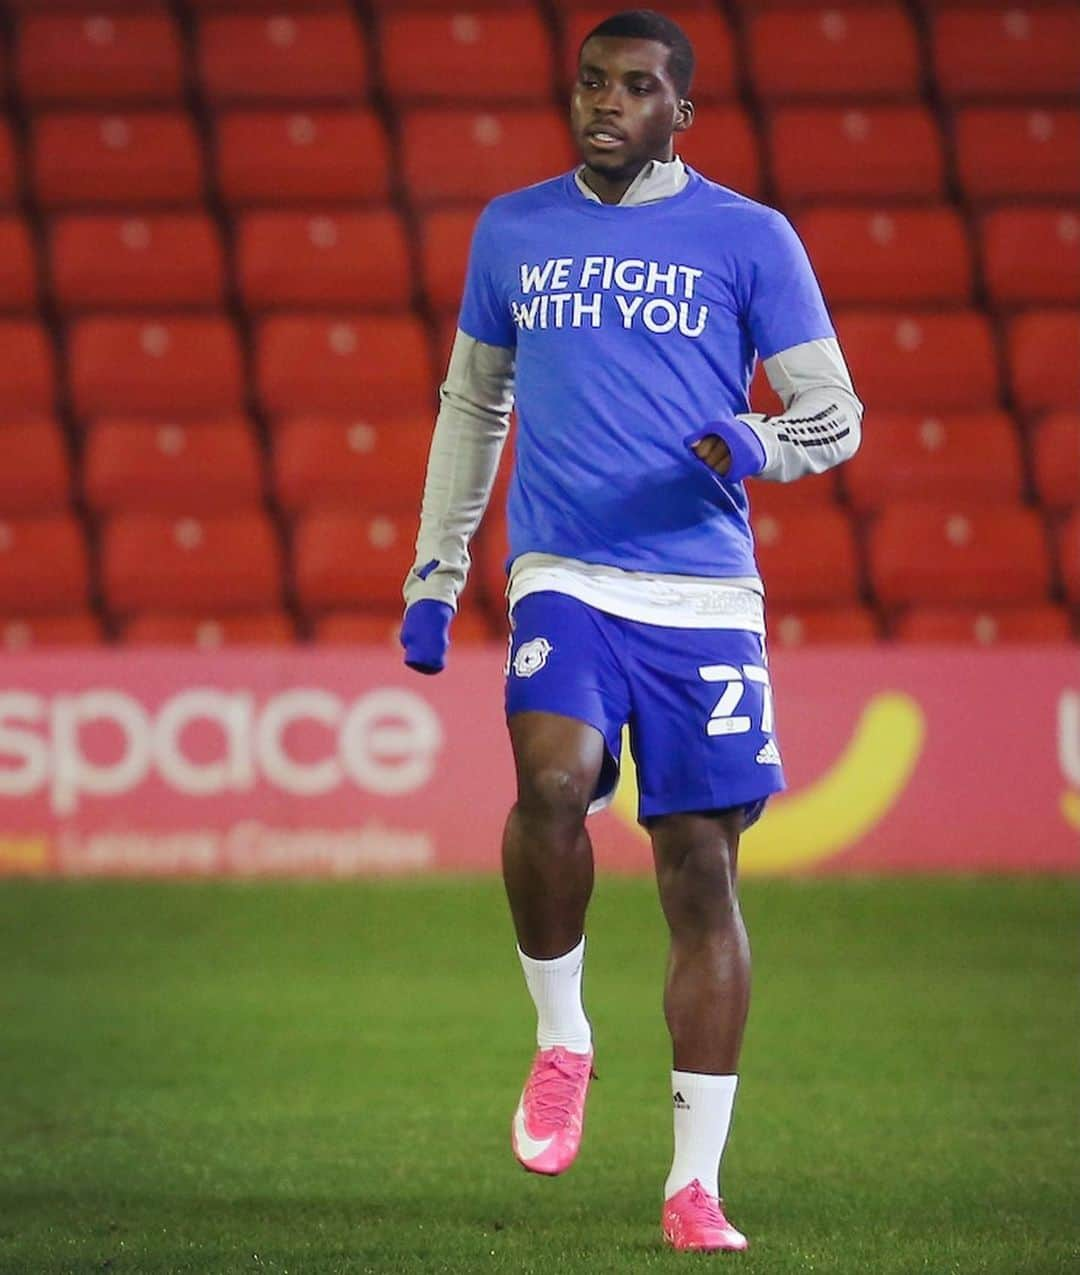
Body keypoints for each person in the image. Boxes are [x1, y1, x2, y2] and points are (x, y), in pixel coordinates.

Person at [400, 8, 862, 1254]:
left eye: (638, 87)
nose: (607, 101)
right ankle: (563, 1040)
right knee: (552, 782)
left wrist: (760, 440)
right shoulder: (515, 229)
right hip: (565, 573)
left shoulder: (748, 238)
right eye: (592, 82)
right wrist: (438, 574)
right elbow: (471, 407)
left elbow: (835, 414)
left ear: (680, 111)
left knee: (700, 871)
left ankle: (693, 1184)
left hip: (704, 595)